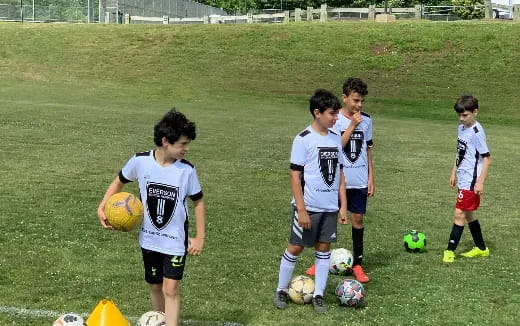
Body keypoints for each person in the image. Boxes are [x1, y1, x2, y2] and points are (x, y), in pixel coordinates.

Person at [97, 109, 205, 326]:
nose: (186, 148)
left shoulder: (186, 171)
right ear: (165, 141)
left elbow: (198, 202)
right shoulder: (140, 161)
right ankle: (159, 321)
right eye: (182, 144)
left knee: (170, 288)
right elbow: (119, 181)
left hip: (175, 240)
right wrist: (103, 206)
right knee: (155, 286)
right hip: (149, 239)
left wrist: (199, 237)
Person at [273, 89, 348, 313]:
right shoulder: (303, 139)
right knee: (295, 247)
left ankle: (318, 295)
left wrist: (342, 205)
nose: (336, 118)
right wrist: (302, 210)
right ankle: (280, 290)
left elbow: (340, 173)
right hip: (308, 207)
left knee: (324, 248)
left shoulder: (335, 138)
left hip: (329, 207)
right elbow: (294, 176)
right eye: (332, 114)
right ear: (317, 113)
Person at [331, 77, 373, 283]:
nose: (359, 105)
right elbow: (334, 148)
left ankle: (358, 263)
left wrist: (371, 177)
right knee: (329, 219)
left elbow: (368, 150)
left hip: (359, 180)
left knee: (357, 219)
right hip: (337, 180)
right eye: (355, 100)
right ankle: (321, 260)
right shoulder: (334, 119)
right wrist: (351, 127)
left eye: (362, 101)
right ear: (344, 98)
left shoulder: (367, 120)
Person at [443, 94, 491, 263]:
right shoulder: (461, 128)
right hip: (463, 177)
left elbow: (487, 158)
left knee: (459, 213)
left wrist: (480, 182)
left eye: (465, 115)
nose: (461, 119)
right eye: (459, 115)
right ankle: (481, 248)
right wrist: (453, 171)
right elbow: (460, 153)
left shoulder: (477, 132)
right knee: (469, 213)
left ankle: (450, 250)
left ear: (475, 112)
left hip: (472, 180)